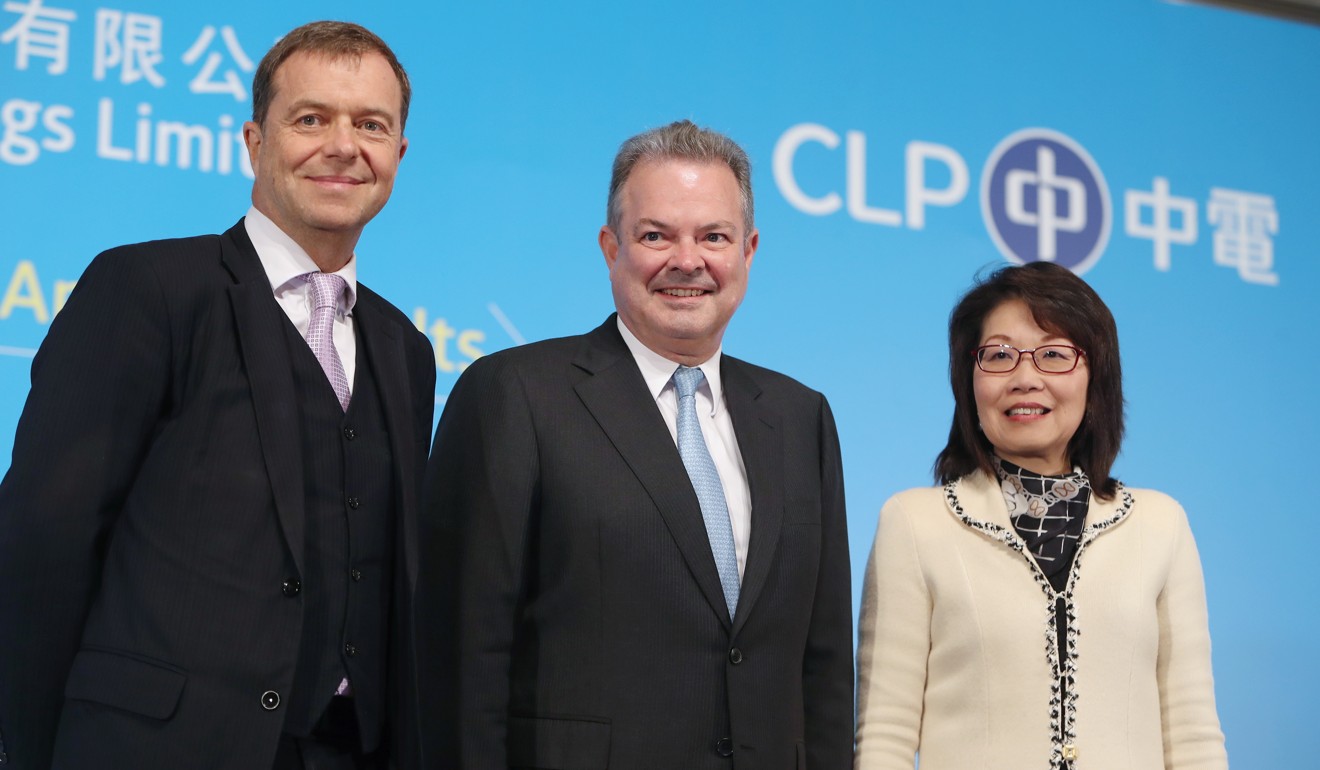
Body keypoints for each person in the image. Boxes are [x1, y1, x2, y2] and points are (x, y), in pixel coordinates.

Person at [0, 21, 435, 770]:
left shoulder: (406, 348)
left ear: (398, 154)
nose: (343, 145)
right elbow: (43, 540)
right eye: (311, 119)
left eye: (371, 124)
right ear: (254, 141)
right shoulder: (149, 289)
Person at [418, 119, 854, 769]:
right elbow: (461, 661)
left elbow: (823, 669)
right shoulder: (515, 394)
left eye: (714, 236)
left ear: (749, 251)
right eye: (656, 235)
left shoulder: (800, 418)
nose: (687, 260)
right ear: (610, 247)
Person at [853, 262, 1227, 769]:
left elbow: (1193, 736)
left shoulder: (1160, 525)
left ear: (1095, 379)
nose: (1025, 378)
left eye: (1053, 355)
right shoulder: (915, 523)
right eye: (1000, 356)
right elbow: (884, 737)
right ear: (970, 382)